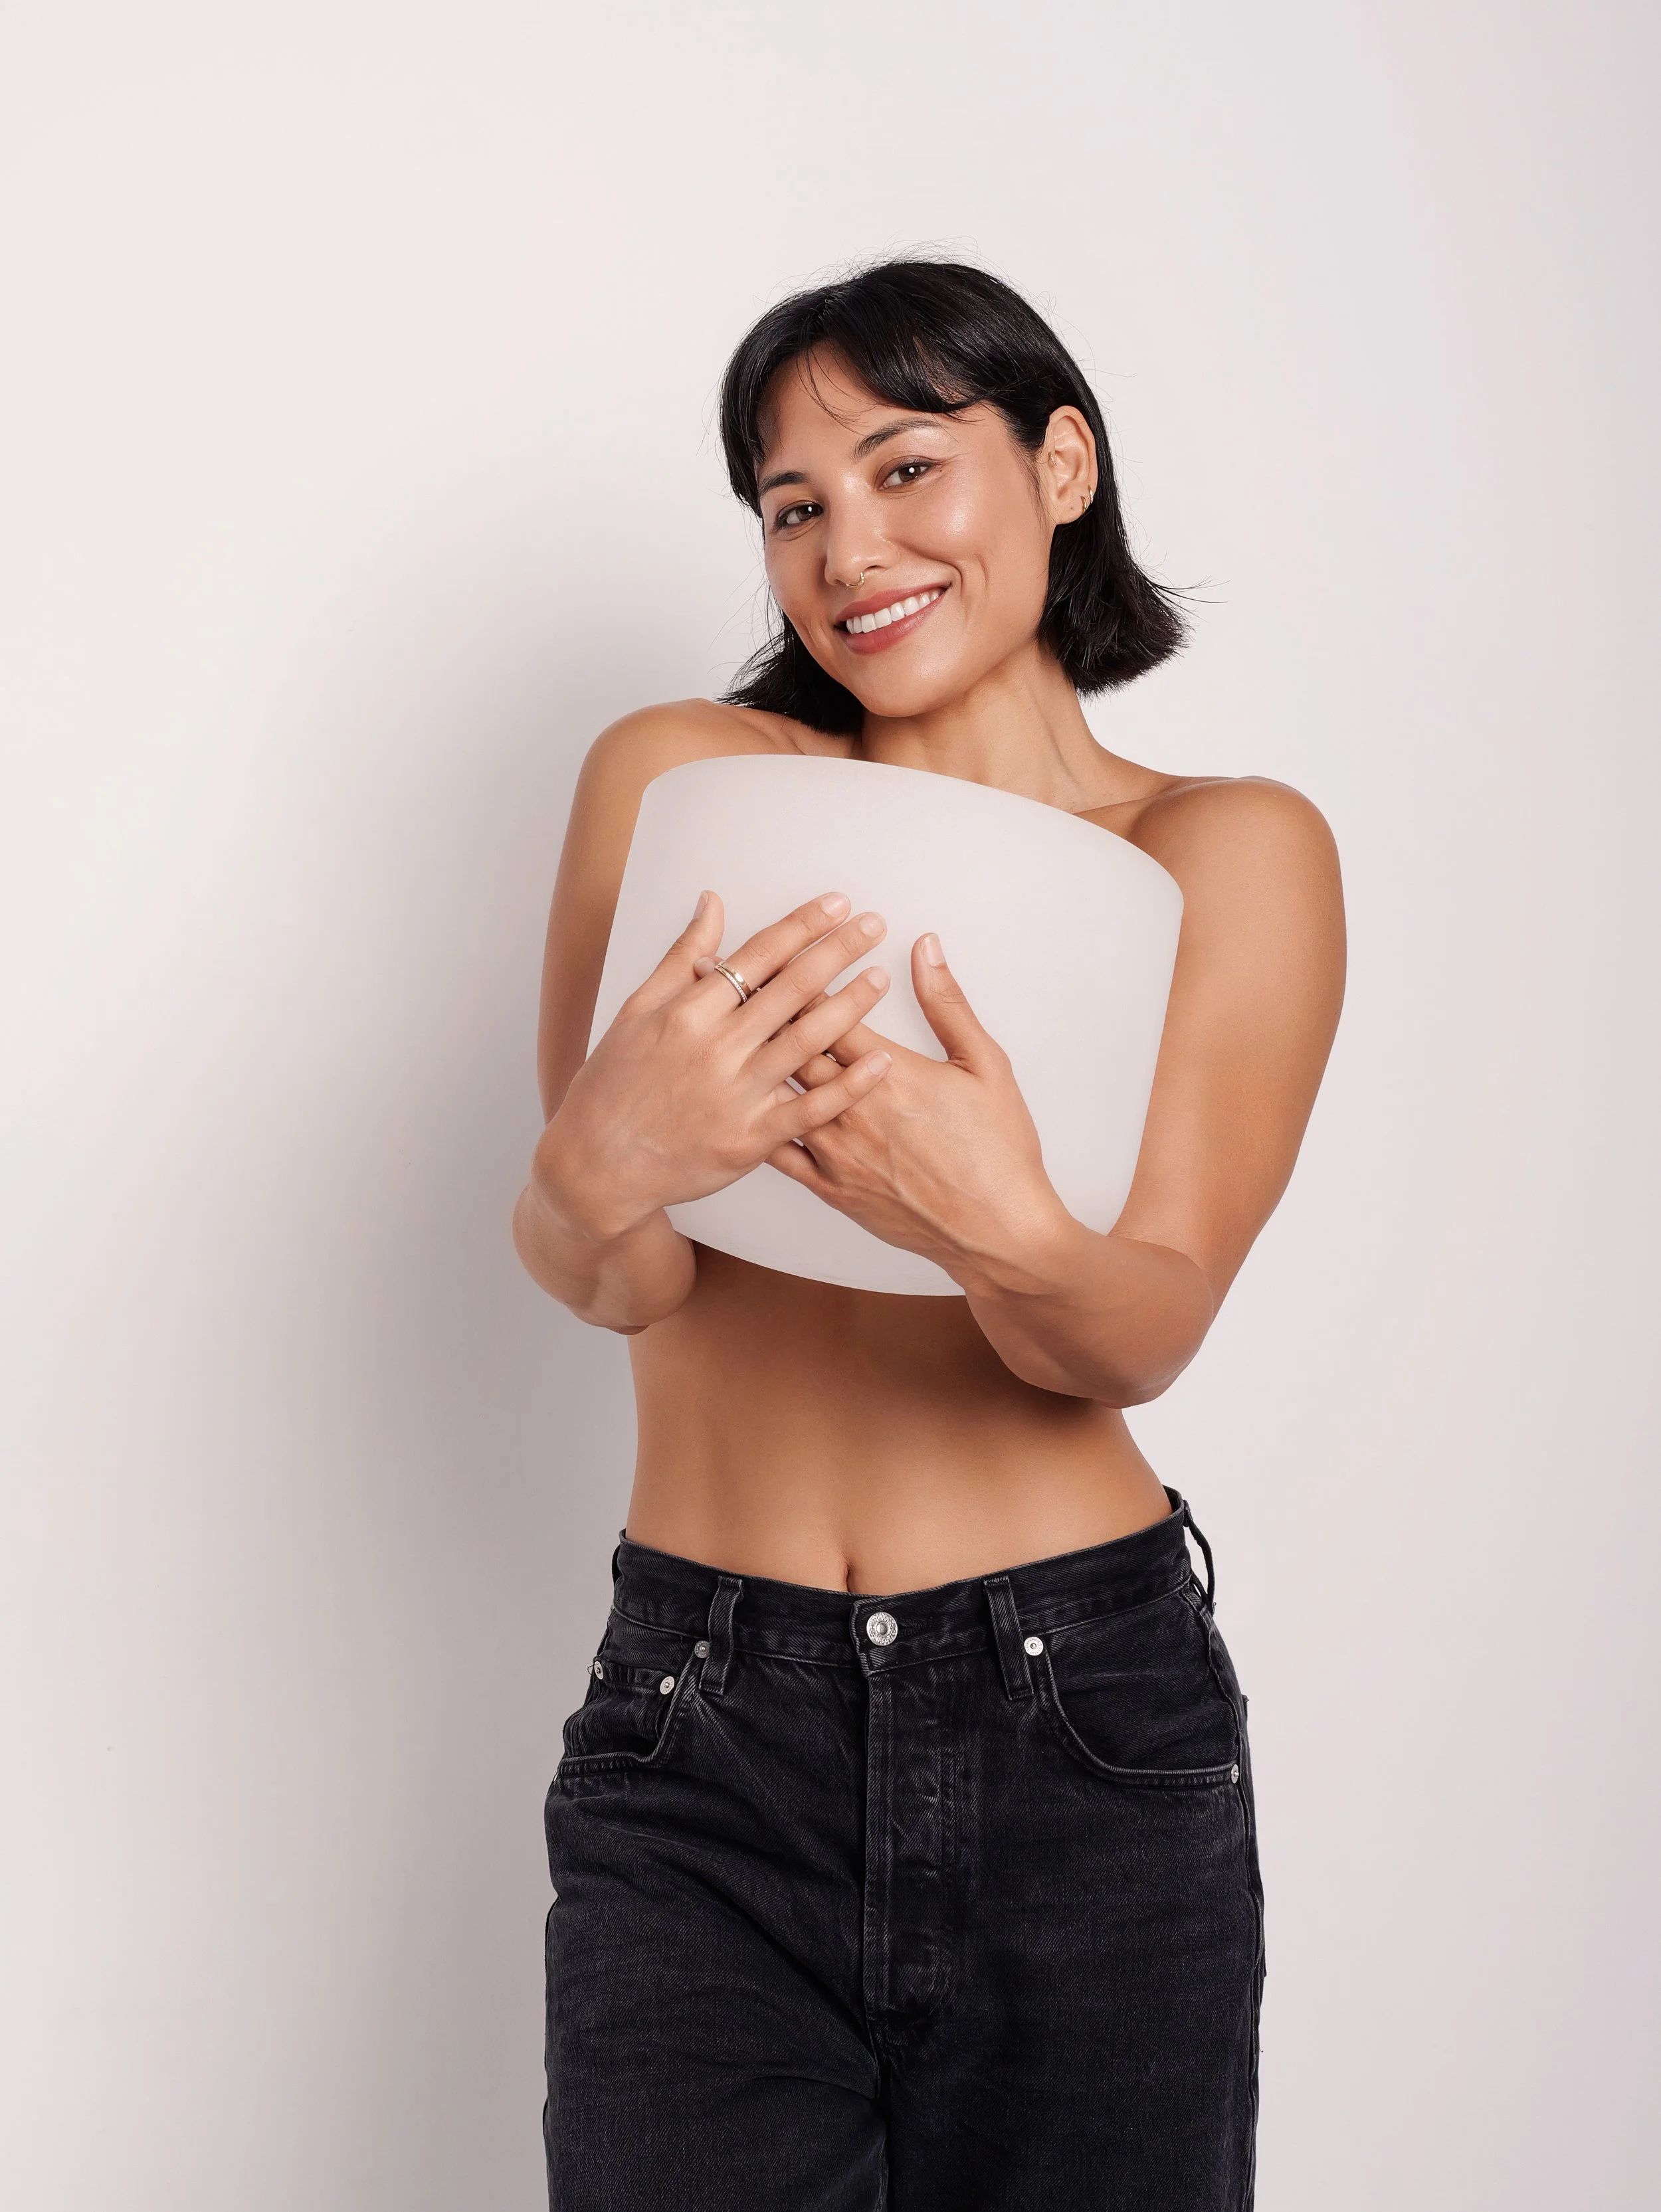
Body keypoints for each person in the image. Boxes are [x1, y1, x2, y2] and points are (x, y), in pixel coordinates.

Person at [512, 258, 1345, 2212]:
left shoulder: (1223, 850)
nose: (847, 548)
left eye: (904, 468)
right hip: (701, 1720)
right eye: (792, 507)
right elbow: (602, 1269)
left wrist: (996, 1229)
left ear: (1059, 463)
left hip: (1083, 1716)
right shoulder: (688, 789)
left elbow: (1128, 1336)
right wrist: (598, 1163)